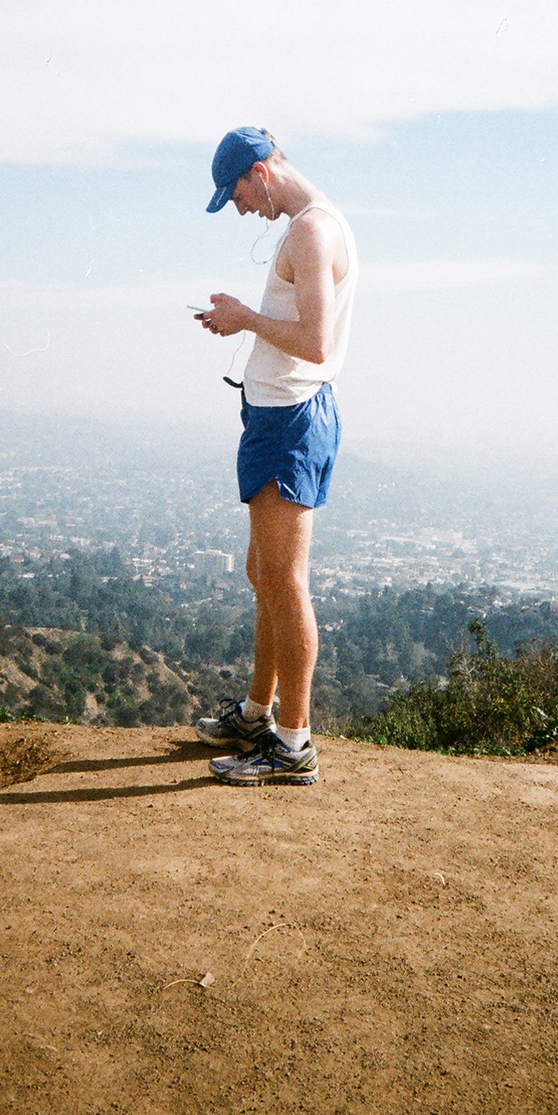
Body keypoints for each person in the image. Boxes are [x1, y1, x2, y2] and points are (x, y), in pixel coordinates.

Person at [190, 126, 357, 785]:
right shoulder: (314, 226)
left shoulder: (312, 231)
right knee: (264, 572)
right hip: (277, 417)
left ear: (259, 172)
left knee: (285, 582)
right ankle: (260, 712)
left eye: (235, 193)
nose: (239, 207)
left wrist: (246, 319)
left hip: (290, 419)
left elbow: (314, 342)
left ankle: (293, 743)